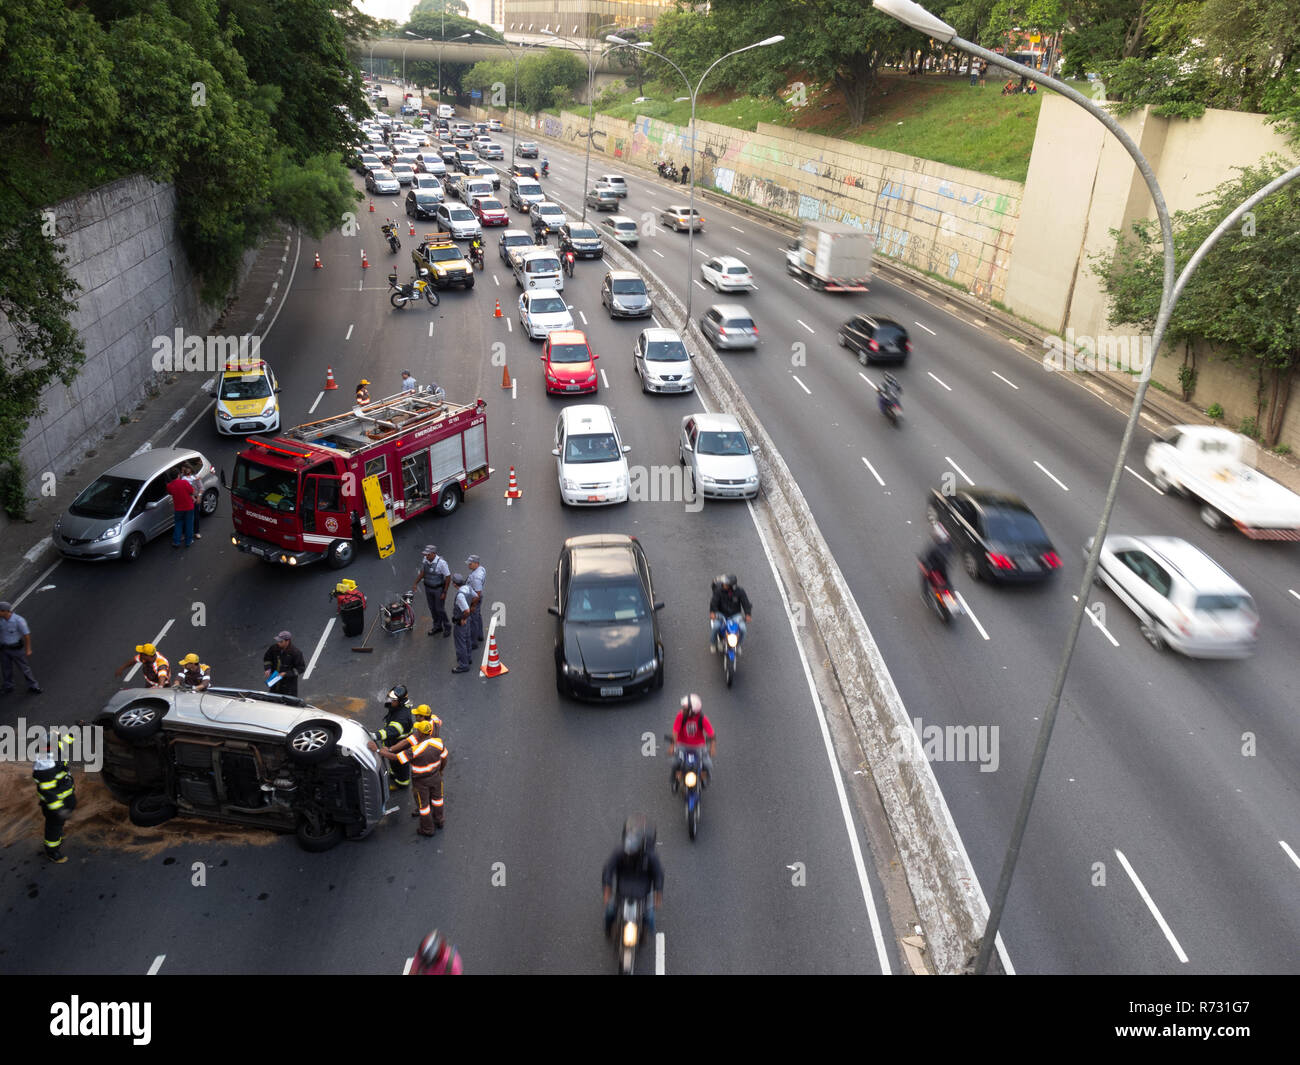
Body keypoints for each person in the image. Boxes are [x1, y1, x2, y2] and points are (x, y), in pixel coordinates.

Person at [371, 720, 447, 835]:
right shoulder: (438, 743)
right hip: (436, 778)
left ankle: (427, 829)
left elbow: (395, 758)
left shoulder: (415, 750)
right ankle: (439, 820)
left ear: (421, 733)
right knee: (438, 800)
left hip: (421, 782)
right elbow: (445, 757)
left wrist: (378, 750)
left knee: (424, 807)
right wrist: (440, 770)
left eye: (417, 730)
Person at [602, 815, 664, 937]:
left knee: (649, 917)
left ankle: (645, 932)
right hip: (622, 889)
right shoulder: (620, 851)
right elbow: (608, 869)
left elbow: (658, 875)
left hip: (643, 891)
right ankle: (608, 930)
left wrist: (658, 894)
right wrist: (607, 889)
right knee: (609, 912)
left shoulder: (651, 856)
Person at [34, 731, 77, 864]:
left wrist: (74, 731)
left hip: (65, 793)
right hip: (54, 803)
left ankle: (58, 833)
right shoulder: (45, 765)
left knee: (62, 818)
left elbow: (65, 742)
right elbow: (48, 793)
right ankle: (52, 851)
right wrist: (58, 810)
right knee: (54, 826)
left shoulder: (54, 748)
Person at [371, 687, 415, 790]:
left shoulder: (402, 717)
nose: (390, 701)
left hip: (400, 745)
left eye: (393, 700)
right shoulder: (399, 707)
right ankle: (394, 773)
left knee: (400, 765)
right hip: (394, 742)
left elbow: (393, 730)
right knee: (394, 763)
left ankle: (402, 783)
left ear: (400, 701)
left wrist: (376, 735)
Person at [669, 693, 716, 790]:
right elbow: (675, 732)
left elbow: (711, 734)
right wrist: (673, 746)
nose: (682, 710)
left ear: (692, 711)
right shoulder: (680, 716)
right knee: (675, 763)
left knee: (707, 764)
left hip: (699, 746)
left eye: (685, 709)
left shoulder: (702, 719)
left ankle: (703, 779)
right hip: (682, 744)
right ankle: (676, 780)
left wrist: (712, 747)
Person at [0, 601, 41, 694]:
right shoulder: (1, 620)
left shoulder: (18, 620)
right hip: (4, 649)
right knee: (6, 669)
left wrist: (28, 649)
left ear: (5, 611)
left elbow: (26, 635)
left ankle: (33, 686)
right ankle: (8, 686)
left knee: (24, 668)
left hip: (16, 649)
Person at [412, 544, 452, 637]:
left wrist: (444, 592)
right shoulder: (425, 560)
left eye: (428, 554)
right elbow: (423, 572)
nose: (426, 556)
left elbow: (448, 577)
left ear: (434, 554)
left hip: (438, 589)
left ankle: (447, 626)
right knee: (432, 609)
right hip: (428, 588)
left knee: (440, 609)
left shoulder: (442, 563)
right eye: (425, 554)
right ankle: (437, 626)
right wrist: (415, 583)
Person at [708, 574, 752, 650]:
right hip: (721, 614)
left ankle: (738, 645)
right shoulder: (719, 590)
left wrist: (748, 614)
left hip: (735, 615)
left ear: (731, 586)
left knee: (743, 629)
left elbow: (746, 603)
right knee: (716, 627)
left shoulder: (740, 591)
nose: (724, 584)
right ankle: (713, 643)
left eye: (726, 584)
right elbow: (714, 602)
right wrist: (713, 612)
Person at [263, 630, 306, 697]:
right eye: (278, 641)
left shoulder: (296, 653)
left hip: (288, 688)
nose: (278, 643)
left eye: (281, 641)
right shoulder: (273, 648)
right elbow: (267, 659)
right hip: (275, 684)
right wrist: (268, 668)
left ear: (287, 641)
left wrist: (286, 674)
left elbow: (301, 668)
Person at [166, 466, 196, 548]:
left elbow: (170, 493)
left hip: (178, 509)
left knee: (178, 524)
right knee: (189, 524)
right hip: (189, 507)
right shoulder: (184, 482)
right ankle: (188, 541)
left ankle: (176, 541)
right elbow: (192, 491)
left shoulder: (169, 486)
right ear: (178, 475)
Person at [918, 521, 953, 591]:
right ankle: (950, 588)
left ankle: (926, 594)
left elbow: (926, 556)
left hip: (933, 566)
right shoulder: (948, 544)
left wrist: (922, 563)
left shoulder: (934, 548)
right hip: (943, 566)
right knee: (946, 578)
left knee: (925, 576)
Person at [450, 574, 473, 673]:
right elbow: (477, 597)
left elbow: (466, 611)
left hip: (461, 621)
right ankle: (468, 658)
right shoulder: (468, 588)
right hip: (467, 620)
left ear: (455, 584)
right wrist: (472, 608)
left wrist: (462, 618)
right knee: (467, 639)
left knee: (460, 643)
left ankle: (463, 665)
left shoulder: (460, 595)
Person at [465, 555, 486, 647]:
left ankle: (473, 642)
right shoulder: (481, 569)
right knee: (478, 617)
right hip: (476, 596)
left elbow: (477, 593)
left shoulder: (476, 578)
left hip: (474, 598)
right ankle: (480, 635)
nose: (468, 565)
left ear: (476, 564)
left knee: (473, 620)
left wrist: (473, 605)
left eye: (470, 563)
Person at [184, 461, 205, 540]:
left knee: (196, 516)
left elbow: (201, 488)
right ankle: (185, 532)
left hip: (195, 499)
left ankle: (196, 532)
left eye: (188, 468)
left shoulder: (195, 477)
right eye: (185, 469)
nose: (187, 470)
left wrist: (199, 497)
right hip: (187, 500)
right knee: (186, 517)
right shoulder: (183, 478)